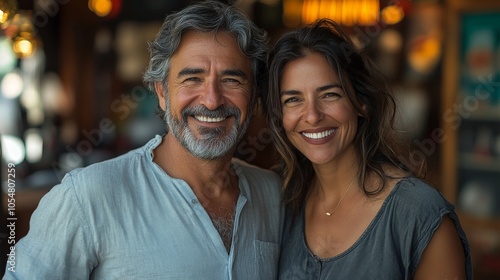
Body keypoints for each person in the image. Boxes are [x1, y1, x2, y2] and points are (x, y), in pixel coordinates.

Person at [4, 1, 284, 279]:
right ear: (162, 93)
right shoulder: (89, 197)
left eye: (232, 80)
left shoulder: (273, 195)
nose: (212, 100)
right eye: (192, 79)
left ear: (254, 94)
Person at [263, 19, 472, 279]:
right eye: (293, 100)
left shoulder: (418, 214)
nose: (313, 116)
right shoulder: (281, 201)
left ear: (361, 103)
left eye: (330, 94)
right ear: (279, 116)